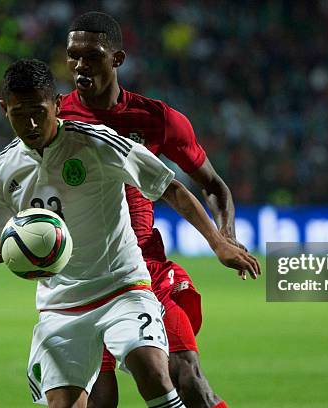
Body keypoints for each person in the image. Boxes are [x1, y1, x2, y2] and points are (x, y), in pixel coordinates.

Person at [0, 58, 259, 407]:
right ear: (4, 109)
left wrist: (218, 242)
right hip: (59, 307)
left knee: (153, 371)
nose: (30, 123)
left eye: (39, 111)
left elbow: (171, 188)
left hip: (122, 288)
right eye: (19, 113)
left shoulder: (98, 143)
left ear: (58, 105)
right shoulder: (2, 169)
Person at [59, 12, 252, 408]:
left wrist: (224, 238)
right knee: (98, 399)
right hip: (86, 279)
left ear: (117, 59)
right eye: (73, 55)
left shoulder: (157, 120)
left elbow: (212, 186)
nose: (80, 65)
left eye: (91, 55)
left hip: (146, 273)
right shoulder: (56, 120)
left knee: (187, 377)